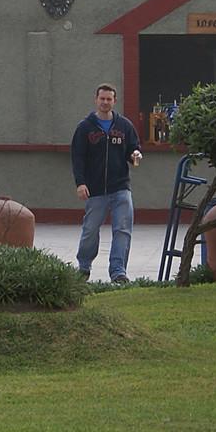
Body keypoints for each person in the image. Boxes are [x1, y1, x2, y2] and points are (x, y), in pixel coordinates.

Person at [70, 83, 143, 284]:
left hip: (120, 187)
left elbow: (133, 148)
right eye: (102, 99)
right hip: (95, 190)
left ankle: (118, 272)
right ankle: (84, 267)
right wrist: (80, 183)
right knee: (90, 230)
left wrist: (135, 154)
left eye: (109, 99)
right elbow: (77, 157)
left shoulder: (124, 126)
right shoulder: (85, 127)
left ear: (114, 101)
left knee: (122, 230)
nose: (105, 102)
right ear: (96, 100)